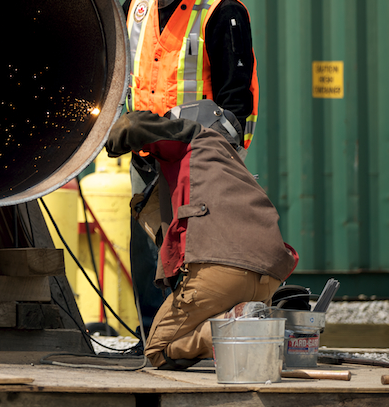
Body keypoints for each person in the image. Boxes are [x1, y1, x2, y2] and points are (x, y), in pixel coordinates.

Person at [121, 0, 261, 342]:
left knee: (195, 260)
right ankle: (153, 345)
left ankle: (194, 346)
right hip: (147, 162)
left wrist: (205, 146)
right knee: (148, 259)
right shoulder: (136, 7)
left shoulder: (223, 11)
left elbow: (237, 103)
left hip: (201, 161)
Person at [104, 104, 297, 370]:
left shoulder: (196, 136)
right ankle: (247, 325)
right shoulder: (232, 168)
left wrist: (105, 139)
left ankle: (233, 329)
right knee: (204, 318)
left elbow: (131, 125)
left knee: (157, 350)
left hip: (221, 273)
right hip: (269, 279)